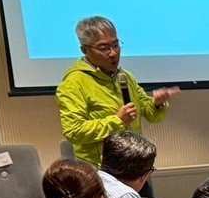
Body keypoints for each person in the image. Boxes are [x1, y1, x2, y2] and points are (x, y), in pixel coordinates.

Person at [56, 16, 180, 167]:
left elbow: (151, 115)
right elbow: (74, 131)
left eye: (115, 45)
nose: (113, 53)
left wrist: (157, 103)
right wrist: (117, 121)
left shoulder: (125, 77)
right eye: (104, 48)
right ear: (85, 50)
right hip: (100, 170)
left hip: (134, 163)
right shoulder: (74, 83)